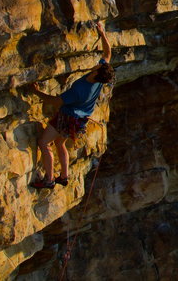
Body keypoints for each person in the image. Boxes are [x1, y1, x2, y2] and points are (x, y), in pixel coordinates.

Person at [29, 21, 114, 189]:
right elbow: (107, 53)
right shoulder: (99, 79)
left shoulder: (80, 89)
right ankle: (64, 176)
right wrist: (102, 33)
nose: (98, 63)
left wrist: (36, 92)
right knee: (60, 143)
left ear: (97, 71)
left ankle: (49, 179)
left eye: (98, 66)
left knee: (44, 143)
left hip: (67, 118)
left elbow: (56, 101)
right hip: (80, 120)